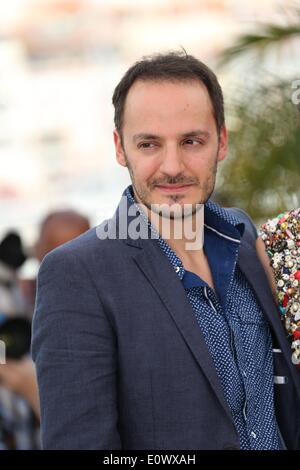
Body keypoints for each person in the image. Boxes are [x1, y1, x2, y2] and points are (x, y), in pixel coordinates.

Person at [31, 52, 300, 450]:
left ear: (221, 141)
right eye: (149, 144)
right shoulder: (76, 274)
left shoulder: (251, 244)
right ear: (121, 148)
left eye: (192, 141)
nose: (172, 167)